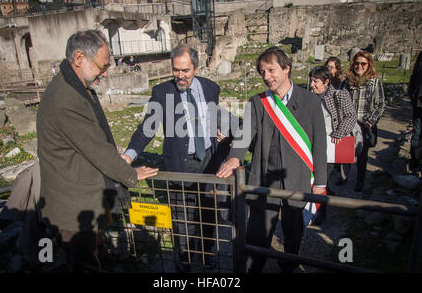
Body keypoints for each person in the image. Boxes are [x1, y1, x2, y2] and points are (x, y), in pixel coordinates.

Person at [37, 30, 158, 272]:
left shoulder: (74, 86)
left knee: (92, 256)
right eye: (102, 66)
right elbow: (96, 148)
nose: (104, 73)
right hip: (73, 207)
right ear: (80, 58)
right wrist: (130, 174)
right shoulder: (67, 99)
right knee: (84, 265)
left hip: (79, 199)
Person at [122, 44, 232, 272]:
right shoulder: (162, 92)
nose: (180, 76)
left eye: (186, 70)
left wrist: (222, 133)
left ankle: (207, 251)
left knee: (208, 211)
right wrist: (129, 155)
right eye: (176, 70)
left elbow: (215, 116)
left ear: (196, 67)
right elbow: (147, 128)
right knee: (182, 216)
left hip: (209, 161)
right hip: (180, 163)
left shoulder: (211, 88)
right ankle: (184, 258)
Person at [217, 47, 327, 273]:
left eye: (270, 70)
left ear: (286, 69)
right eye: (262, 72)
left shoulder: (310, 102)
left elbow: (319, 147)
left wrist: (321, 183)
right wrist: (235, 157)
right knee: (258, 233)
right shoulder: (258, 103)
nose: (266, 76)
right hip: (265, 177)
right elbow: (245, 133)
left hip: (297, 177)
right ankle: (253, 268)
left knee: (293, 231)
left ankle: (288, 266)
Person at [308, 66, 356, 225]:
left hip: (329, 147)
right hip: (311, 145)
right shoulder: (308, 97)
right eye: (311, 80)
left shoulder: (340, 95)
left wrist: (339, 133)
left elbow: (350, 116)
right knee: (311, 179)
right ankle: (311, 208)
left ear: (327, 82)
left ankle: (320, 212)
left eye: (316, 81)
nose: (312, 84)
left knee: (322, 180)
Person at [343, 51, 385, 192]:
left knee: (362, 156)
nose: (359, 66)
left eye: (363, 64)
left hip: (365, 124)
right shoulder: (347, 81)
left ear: (369, 65)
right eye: (356, 63)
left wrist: (371, 121)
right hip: (349, 123)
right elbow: (340, 99)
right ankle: (344, 177)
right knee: (346, 153)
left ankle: (360, 181)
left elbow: (380, 104)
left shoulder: (374, 82)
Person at [408, 52, 422, 172]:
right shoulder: (421, 55)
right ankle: (414, 162)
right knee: (417, 133)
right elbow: (414, 75)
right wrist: (411, 93)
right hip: (418, 102)